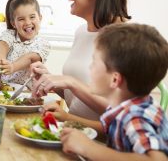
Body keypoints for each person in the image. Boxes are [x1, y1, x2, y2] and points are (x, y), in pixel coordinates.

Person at [31, 0, 131, 121]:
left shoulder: (126, 40)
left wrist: (70, 82)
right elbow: (77, 100)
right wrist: (52, 81)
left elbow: (121, 114)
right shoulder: (81, 32)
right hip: (73, 134)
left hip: (98, 143)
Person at [60, 23, 168, 160]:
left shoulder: (135, 116)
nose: (90, 67)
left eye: (94, 62)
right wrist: (72, 127)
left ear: (115, 80)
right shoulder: (124, 107)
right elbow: (108, 130)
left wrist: (89, 148)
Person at [0, 0, 50, 87]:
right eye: (21, 19)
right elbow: (2, 44)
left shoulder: (43, 43)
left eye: (32, 17)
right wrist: (1, 60)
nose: (27, 22)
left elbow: (30, 58)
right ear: (13, 23)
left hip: (26, 92)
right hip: (2, 89)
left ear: (40, 18)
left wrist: (12, 67)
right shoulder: (10, 34)